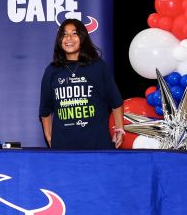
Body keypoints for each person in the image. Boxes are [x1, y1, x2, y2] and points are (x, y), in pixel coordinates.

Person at [39, 18, 124, 149]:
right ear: (59, 40)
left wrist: (119, 129)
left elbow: (115, 101)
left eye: (74, 33)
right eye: (64, 34)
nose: (69, 38)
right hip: (63, 148)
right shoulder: (52, 70)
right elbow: (45, 110)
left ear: (82, 37)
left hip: (97, 146)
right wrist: (49, 136)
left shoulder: (98, 66)